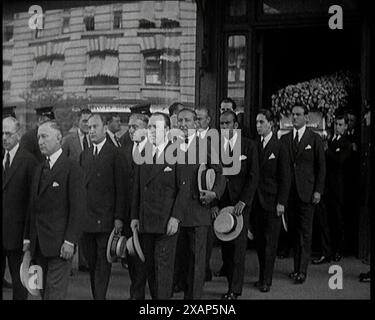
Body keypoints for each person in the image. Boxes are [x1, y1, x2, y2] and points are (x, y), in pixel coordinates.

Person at [23, 120, 85, 299]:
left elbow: (78, 208)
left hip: (59, 246)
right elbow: (32, 207)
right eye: (38, 137)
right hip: (37, 247)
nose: (40, 141)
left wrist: (70, 241)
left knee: (54, 294)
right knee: (41, 293)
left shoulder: (72, 168)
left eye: (44, 136)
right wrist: (27, 238)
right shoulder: (38, 169)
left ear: (58, 138)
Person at [172, 108, 224, 299]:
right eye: (180, 121)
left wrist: (214, 194)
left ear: (196, 124)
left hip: (197, 211)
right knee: (179, 259)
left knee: (196, 262)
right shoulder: (173, 146)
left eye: (187, 121)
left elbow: (220, 173)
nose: (183, 125)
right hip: (175, 214)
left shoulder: (206, 145)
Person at [131, 112, 181, 299]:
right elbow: (136, 187)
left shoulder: (177, 154)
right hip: (146, 222)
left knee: (163, 270)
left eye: (155, 127)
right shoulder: (143, 154)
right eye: (149, 127)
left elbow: (182, 191)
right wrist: (135, 217)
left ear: (167, 130)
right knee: (149, 268)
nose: (151, 130)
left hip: (166, 222)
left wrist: (176, 217)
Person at [80, 113, 126, 300]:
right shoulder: (85, 155)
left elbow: (121, 189)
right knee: (92, 262)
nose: (91, 131)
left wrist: (119, 217)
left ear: (104, 128)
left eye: (95, 127)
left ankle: (100, 297)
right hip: (87, 219)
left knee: (102, 262)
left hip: (106, 219)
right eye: (89, 127)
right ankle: (96, 295)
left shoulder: (115, 153)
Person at [215, 110, 259, 299]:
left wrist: (244, 201)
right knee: (225, 247)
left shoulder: (249, 146)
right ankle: (230, 283)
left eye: (228, 124)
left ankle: (234, 290)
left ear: (236, 125)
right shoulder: (215, 147)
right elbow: (212, 176)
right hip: (222, 204)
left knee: (238, 249)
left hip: (241, 205)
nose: (224, 127)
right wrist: (214, 202)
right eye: (222, 124)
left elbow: (253, 176)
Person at [280, 105, 325, 284]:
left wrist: (318, 191)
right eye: (293, 115)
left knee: (305, 233)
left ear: (306, 118)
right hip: (290, 193)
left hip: (307, 192)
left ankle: (302, 271)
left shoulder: (314, 139)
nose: (295, 118)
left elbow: (321, 168)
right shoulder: (284, 139)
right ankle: (296, 267)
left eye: (299, 115)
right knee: (294, 231)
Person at [254, 109, 290, 292]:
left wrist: (281, 203)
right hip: (257, 203)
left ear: (270, 124)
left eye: (261, 122)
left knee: (270, 244)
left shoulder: (280, 147)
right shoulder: (255, 145)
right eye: (257, 122)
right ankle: (262, 276)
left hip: (272, 202)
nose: (258, 125)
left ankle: (266, 280)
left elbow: (285, 178)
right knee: (260, 243)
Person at [2, 116, 38, 299]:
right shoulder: (3, 157)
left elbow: (33, 203)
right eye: (2, 133)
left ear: (18, 134)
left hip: (18, 236)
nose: (4, 138)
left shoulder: (28, 161)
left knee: (20, 283)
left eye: (8, 134)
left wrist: (28, 237)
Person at [313, 113, 352, 264]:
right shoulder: (329, 140)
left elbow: (340, 160)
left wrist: (327, 150)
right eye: (336, 124)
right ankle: (325, 251)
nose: (337, 127)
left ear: (346, 127)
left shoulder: (346, 143)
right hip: (325, 187)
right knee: (324, 221)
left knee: (337, 221)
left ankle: (338, 250)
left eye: (340, 124)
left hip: (338, 189)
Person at [119, 109, 149, 299]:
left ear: (145, 129)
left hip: (147, 213)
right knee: (131, 254)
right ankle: (136, 291)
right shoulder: (123, 150)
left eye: (135, 127)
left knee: (145, 256)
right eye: (129, 127)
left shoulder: (155, 150)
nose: (130, 130)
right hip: (128, 212)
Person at [62, 108, 92, 272]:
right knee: (72, 223)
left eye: (89, 121)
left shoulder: (95, 140)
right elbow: (62, 163)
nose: (87, 125)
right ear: (78, 122)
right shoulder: (69, 140)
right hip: (72, 188)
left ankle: (85, 261)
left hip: (89, 191)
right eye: (84, 121)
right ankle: (69, 263)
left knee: (85, 225)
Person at [195, 106, 215, 281]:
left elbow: (219, 171)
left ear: (208, 120)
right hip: (184, 202)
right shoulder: (180, 141)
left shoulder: (211, 142)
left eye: (200, 118)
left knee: (203, 244)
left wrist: (214, 195)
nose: (197, 122)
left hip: (203, 200)